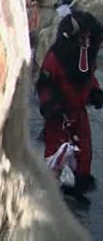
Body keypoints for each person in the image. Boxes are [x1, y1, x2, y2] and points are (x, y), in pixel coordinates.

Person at [37, 11, 103, 197]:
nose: (87, 42)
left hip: (79, 114)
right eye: (83, 38)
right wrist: (52, 107)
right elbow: (44, 85)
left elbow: (88, 78)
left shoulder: (86, 57)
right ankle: (55, 193)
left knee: (84, 153)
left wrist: (95, 92)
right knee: (58, 153)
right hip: (59, 116)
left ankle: (78, 187)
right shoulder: (54, 58)